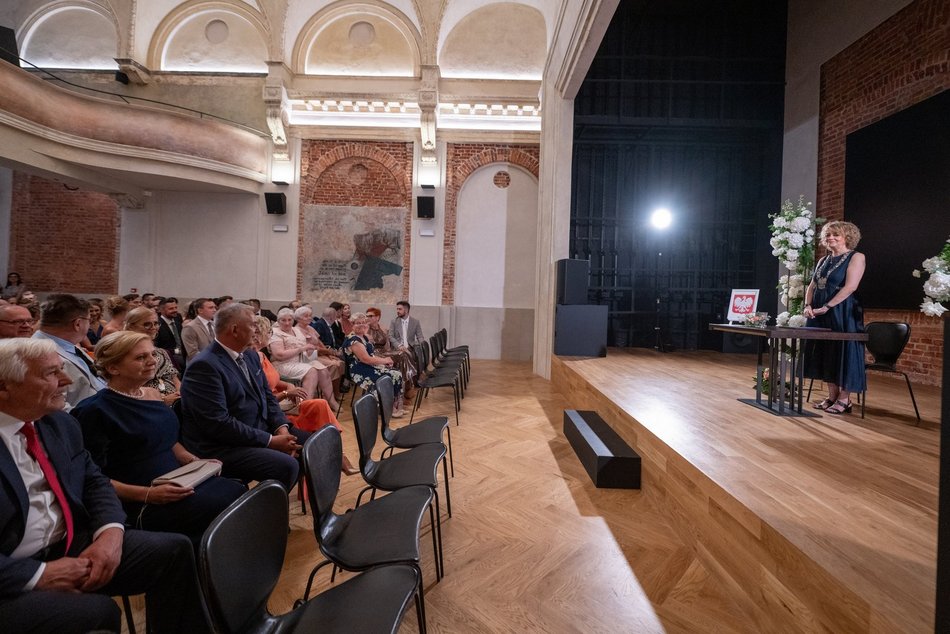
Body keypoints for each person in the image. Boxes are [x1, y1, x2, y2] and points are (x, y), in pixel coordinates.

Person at [0, 338, 210, 633]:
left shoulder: (59, 423)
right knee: (97, 613)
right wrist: (37, 574)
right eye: (50, 373)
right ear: (4, 386)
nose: (67, 380)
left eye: (63, 369)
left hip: (73, 542)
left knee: (174, 550)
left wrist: (110, 533)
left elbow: (94, 481)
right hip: (15, 567)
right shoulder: (86, 413)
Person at [72, 332, 246, 548]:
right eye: (140, 358)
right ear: (113, 368)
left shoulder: (152, 395)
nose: (153, 361)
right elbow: (91, 477)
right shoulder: (94, 411)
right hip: (139, 499)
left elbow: (167, 440)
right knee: (227, 502)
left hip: (177, 481)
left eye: (152, 354)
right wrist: (149, 495)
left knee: (237, 491)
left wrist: (195, 461)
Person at [179, 303, 311, 491]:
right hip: (222, 445)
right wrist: (270, 441)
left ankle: (307, 512)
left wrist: (281, 429)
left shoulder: (249, 355)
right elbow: (218, 423)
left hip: (254, 429)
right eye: (252, 325)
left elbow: (268, 397)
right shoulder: (204, 366)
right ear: (234, 330)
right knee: (287, 465)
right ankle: (256, 514)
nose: (256, 330)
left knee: (312, 445)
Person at [251, 316, 358, 475]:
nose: (271, 335)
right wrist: (287, 393)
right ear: (258, 335)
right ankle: (334, 459)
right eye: (269, 332)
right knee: (316, 401)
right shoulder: (251, 358)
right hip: (275, 406)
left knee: (320, 402)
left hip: (281, 400)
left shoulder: (261, 355)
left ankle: (336, 453)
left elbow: (274, 380)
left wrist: (288, 385)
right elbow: (261, 400)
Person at [803, 220, 867, 415]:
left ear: (847, 237)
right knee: (824, 350)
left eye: (835, 234)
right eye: (828, 234)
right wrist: (807, 305)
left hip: (842, 311)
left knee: (844, 351)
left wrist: (827, 306)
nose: (830, 238)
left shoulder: (857, 257)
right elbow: (812, 286)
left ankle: (845, 399)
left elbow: (851, 287)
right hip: (819, 311)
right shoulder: (823, 260)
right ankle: (832, 396)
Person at [32, 294, 106, 409]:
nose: (89, 326)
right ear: (77, 324)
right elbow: (54, 405)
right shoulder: (40, 353)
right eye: (89, 320)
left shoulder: (67, 344)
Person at [268, 308, 340, 411]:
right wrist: (301, 349)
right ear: (278, 321)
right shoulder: (275, 333)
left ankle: (331, 401)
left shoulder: (296, 330)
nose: (287, 323)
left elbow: (305, 349)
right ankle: (305, 406)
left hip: (300, 360)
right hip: (283, 364)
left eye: (289, 320)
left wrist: (310, 350)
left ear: (293, 320)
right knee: (311, 371)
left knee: (323, 370)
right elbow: (279, 355)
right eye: (283, 320)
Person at [344, 312, 405, 417]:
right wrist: (385, 360)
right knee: (388, 376)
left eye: (363, 322)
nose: (361, 325)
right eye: (358, 323)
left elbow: (372, 355)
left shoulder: (364, 337)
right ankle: (387, 408)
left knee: (397, 373)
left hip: (368, 366)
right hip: (359, 370)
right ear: (352, 324)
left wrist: (385, 362)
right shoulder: (353, 340)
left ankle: (396, 405)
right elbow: (365, 359)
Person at [124, 306, 182, 405]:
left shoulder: (162, 352)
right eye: (147, 324)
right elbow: (128, 386)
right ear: (131, 326)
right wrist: (163, 400)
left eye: (156, 323)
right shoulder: (126, 352)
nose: (153, 327)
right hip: (145, 404)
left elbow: (174, 378)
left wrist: (180, 394)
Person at [367, 306, 416, 398]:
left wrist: (400, 346)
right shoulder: (365, 329)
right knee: (402, 355)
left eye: (371, 316)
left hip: (384, 352)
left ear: (377, 317)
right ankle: (408, 384)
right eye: (367, 316)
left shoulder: (383, 328)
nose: (368, 318)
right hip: (374, 354)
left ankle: (404, 384)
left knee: (403, 353)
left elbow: (391, 341)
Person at [154, 296, 186, 372]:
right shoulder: (157, 325)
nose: (175, 310)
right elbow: (156, 347)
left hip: (182, 355)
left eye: (176, 308)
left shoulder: (177, 321)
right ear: (161, 310)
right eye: (171, 309)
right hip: (167, 357)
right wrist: (175, 351)